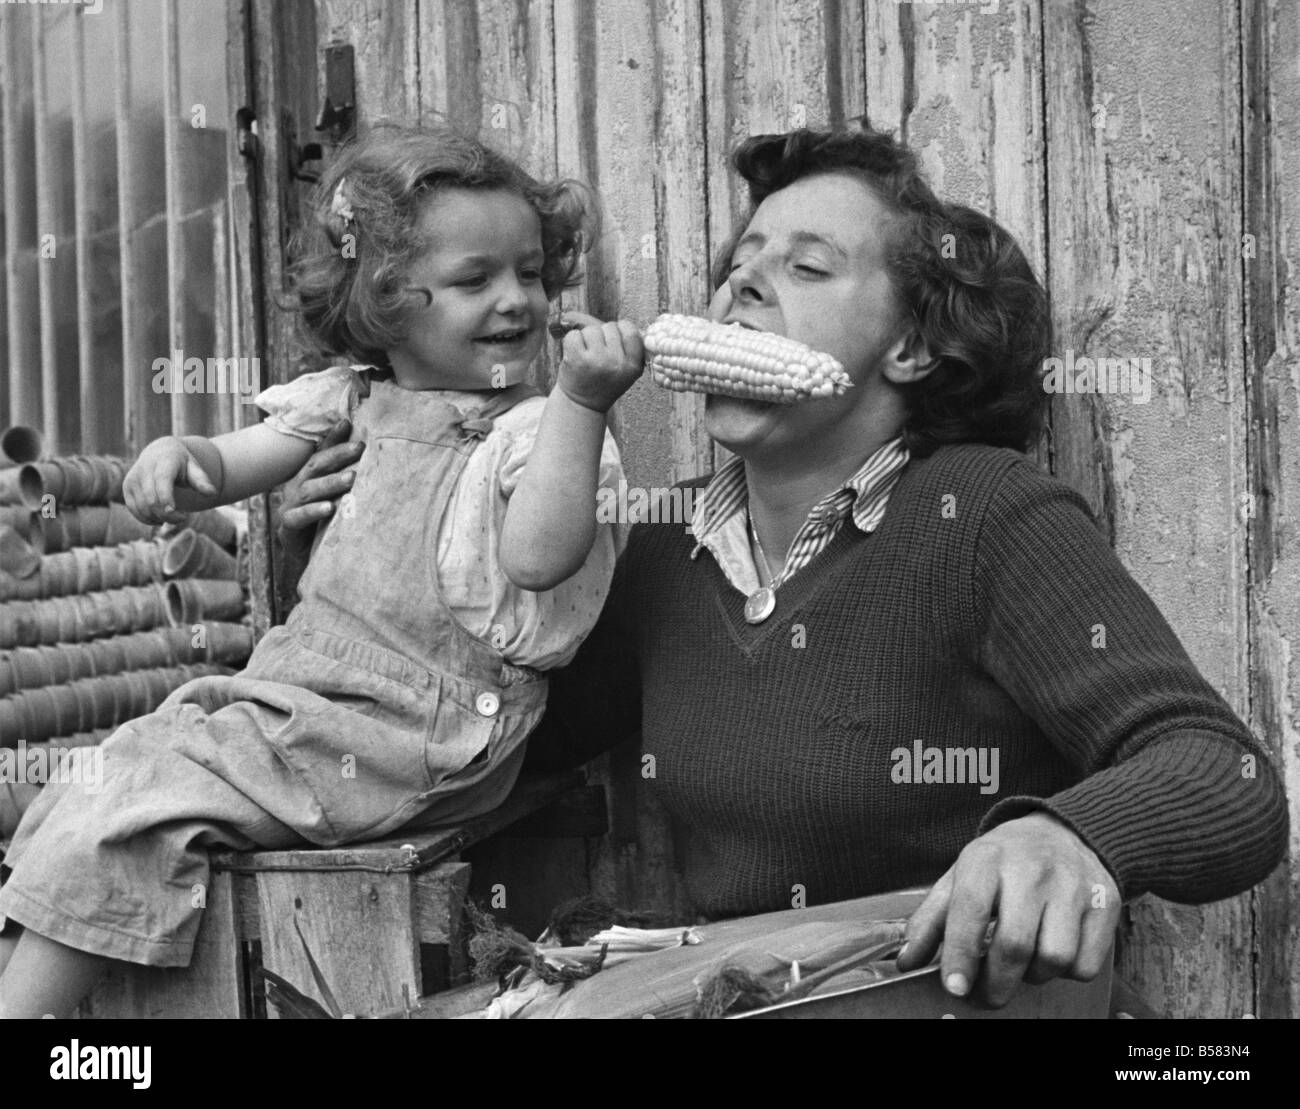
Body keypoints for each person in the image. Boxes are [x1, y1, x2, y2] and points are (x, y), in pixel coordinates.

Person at [275, 123, 1290, 1010]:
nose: (741, 283)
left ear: (912, 348)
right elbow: (469, 743)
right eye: (741, 263)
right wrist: (367, 544)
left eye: (806, 268)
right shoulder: (661, 552)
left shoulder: (981, 512)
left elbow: (1223, 776)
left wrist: (1067, 837)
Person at [0, 124, 642, 1018]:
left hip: (424, 725)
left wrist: (582, 403)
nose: (517, 300)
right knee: (121, 759)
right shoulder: (352, 398)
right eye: (474, 279)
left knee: (150, 794)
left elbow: (540, 558)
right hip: (308, 693)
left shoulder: (537, 434)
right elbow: (235, 461)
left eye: (530, 273)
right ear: (382, 302)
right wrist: (179, 458)